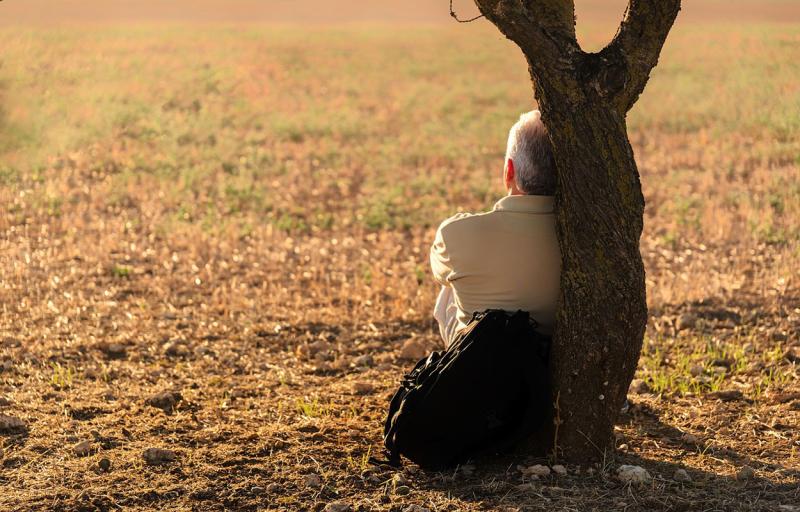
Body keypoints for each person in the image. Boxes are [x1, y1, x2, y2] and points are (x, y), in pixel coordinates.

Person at [430, 110, 561, 347]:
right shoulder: (583, 238)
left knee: (450, 286)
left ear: (509, 170)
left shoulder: (455, 234)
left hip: (479, 362)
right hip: (550, 362)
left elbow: (438, 273)